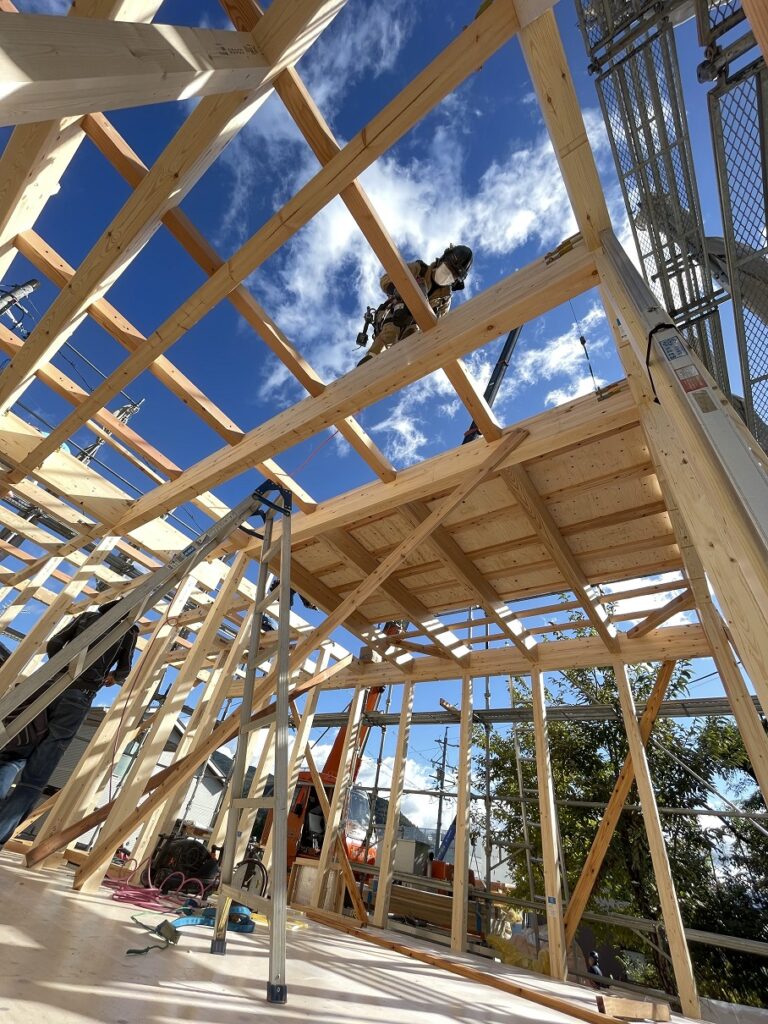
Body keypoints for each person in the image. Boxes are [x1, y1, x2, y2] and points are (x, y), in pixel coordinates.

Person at [0, 599, 139, 847]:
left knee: (13, 756)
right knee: (35, 777)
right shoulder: (127, 630)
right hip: (78, 697)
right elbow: (124, 670)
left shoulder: (87, 616)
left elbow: (55, 643)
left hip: (48, 687)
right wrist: (110, 677)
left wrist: (62, 667)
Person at [357, 244, 474, 365]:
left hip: (415, 327)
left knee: (412, 340)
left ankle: (398, 367)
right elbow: (386, 280)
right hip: (395, 312)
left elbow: (438, 325)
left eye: (454, 275)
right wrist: (398, 292)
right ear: (442, 260)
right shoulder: (419, 269)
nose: (448, 274)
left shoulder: (444, 299)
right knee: (391, 331)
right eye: (448, 267)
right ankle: (371, 360)